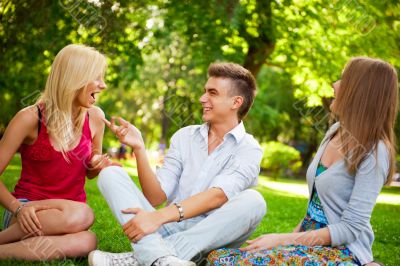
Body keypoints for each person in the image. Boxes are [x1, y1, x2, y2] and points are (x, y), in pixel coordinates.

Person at [207, 57, 398, 265]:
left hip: (342, 252)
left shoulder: (375, 152)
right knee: (219, 259)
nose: (334, 85)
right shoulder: (335, 131)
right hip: (308, 245)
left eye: (343, 79)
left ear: (360, 92)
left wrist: (283, 240)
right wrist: (284, 246)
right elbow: (313, 210)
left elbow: (351, 228)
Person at [88, 63, 267, 266]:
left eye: (212, 93)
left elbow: (217, 196)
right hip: (166, 227)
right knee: (110, 174)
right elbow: (156, 197)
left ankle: (145, 258)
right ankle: (164, 260)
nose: (202, 98)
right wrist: (139, 148)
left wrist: (157, 218)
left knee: (255, 201)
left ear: (236, 102)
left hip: (210, 236)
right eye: (204, 91)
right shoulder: (184, 137)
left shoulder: (249, 148)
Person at [0, 44, 114, 261]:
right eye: (97, 77)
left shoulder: (96, 117)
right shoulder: (30, 118)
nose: (103, 85)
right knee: (84, 213)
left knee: (88, 241)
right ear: (76, 78)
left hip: (71, 220)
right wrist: (17, 209)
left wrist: (97, 163)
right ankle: (7, 237)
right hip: (27, 214)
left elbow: (90, 167)